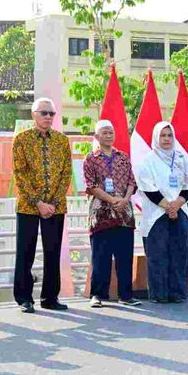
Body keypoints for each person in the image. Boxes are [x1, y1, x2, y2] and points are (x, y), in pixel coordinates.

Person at [13, 97, 72, 313]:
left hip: (55, 206)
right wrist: (38, 202)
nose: (48, 117)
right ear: (33, 114)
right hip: (29, 206)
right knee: (25, 252)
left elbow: (66, 173)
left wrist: (52, 202)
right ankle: (24, 298)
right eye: (43, 113)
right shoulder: (21, 139)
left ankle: (50, 297)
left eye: (51, 114)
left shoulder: (62, 140)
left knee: (53, 251)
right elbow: (20, 174)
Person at [136, 122, 188, 304]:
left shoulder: (181, 158)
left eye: (170, 135)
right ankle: (159, 294)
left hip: (180, 211)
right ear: (156, 137)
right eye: (163, 136)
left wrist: (176, 205)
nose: (167, 139)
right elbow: (148, 188)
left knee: (180, 254)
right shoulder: (147, 161)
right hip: (156, 214)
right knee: (157, 254)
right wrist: (168, 207)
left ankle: (178, 293)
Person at [83, 120, 141, 308]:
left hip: (124, 213)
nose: (109, 136)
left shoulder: (123, 157)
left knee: (125, 255)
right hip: (101, 213)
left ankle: (126, 295)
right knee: (100, 256)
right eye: (104, 133)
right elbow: (90, 186)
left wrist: (124, 200)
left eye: (111, 132)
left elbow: (132, 182)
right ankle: (98, 295)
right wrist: (111, 199)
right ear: (97, 137)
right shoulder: (90, 159)